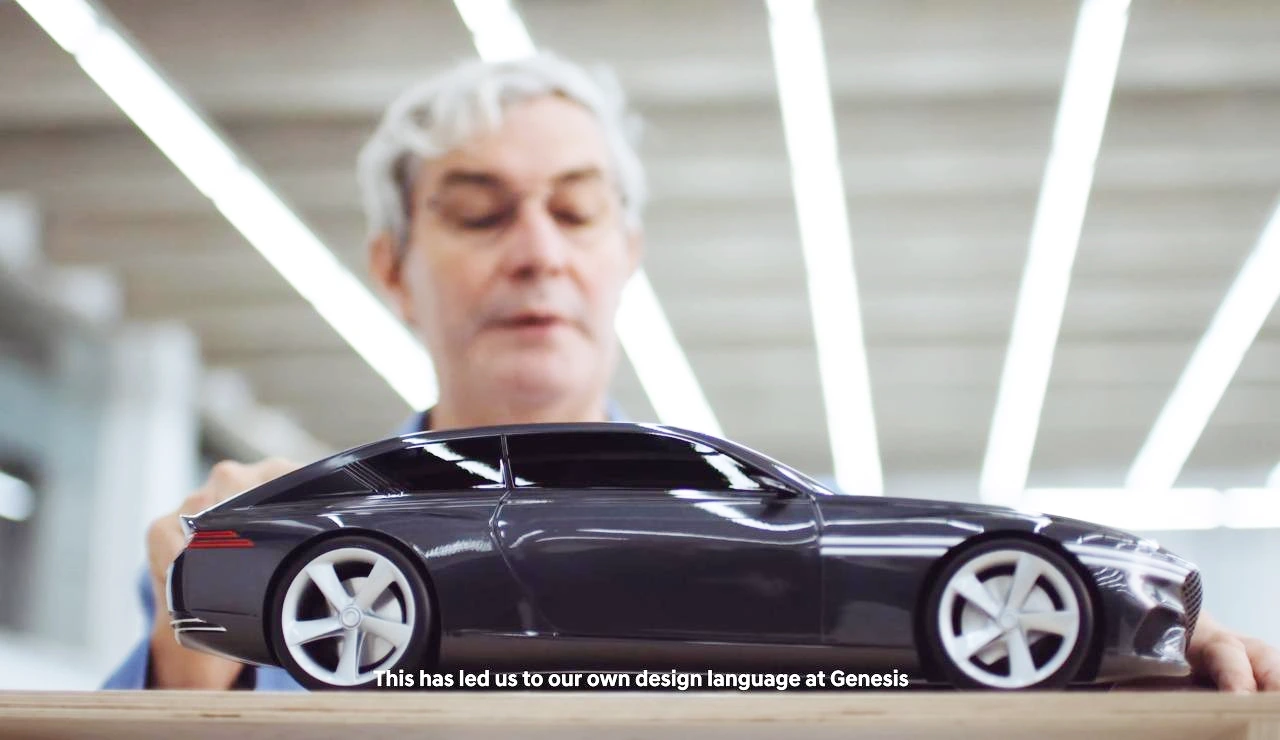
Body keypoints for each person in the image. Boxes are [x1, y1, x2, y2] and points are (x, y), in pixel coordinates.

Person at [105, 52, 1280, 692]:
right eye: (478, 211)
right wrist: (186, 682)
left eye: (576, 209)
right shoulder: (285, 557)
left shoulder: (813, 534)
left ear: (627, 252)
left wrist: (1124, 653)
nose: (537, 250)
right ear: (392, 266)